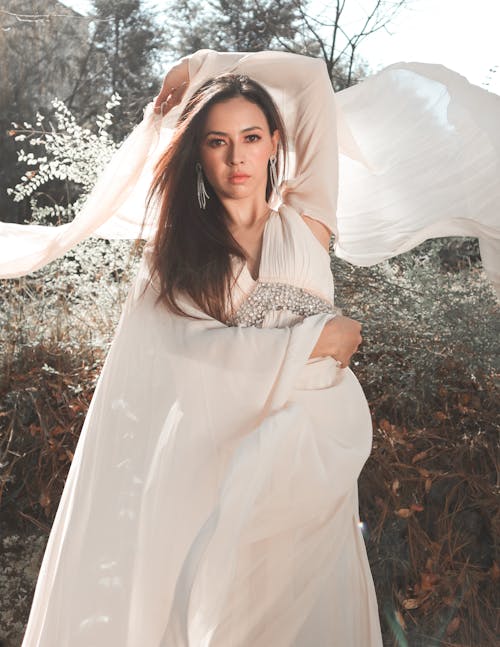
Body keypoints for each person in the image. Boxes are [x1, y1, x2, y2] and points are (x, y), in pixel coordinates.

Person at [1, 48, 499, 646]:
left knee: (312, 616)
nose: (237, 156)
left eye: (251, 136)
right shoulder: (180, 256)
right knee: (219, 620)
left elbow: (311, 77)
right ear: (198, 153)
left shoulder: (310, 216)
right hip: (216, 465)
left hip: (314, 459)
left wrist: (202, 65)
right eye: (216, 141)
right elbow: (187, 356)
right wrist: (317, 338)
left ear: (273, 142)